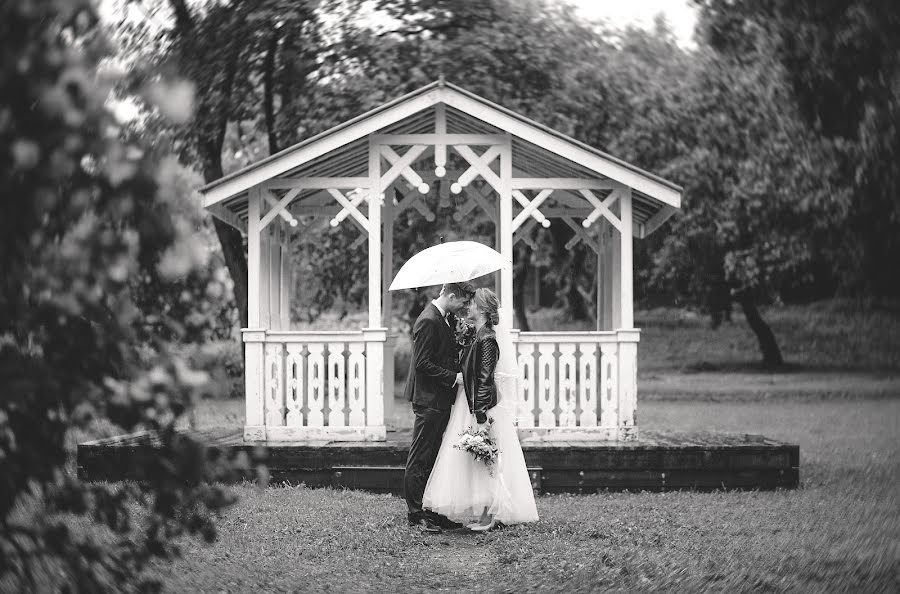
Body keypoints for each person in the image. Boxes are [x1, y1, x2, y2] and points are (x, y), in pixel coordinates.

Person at [423, 287, 539, 531]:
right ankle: (485, 513)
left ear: (483, 310)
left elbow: (485, 379)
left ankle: (491, 516)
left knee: (487, 459)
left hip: (482, 407)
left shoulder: (487, 339)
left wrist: (481, 415)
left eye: (473, 304)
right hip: (472, 404)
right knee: (479, 459)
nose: (468, 307)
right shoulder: (477, 335)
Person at [403, 281, 476, 534]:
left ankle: (430, 510)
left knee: (433, 457)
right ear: (452, 296)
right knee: (420, 456)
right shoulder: (427, 320)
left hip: (440, 399)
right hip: (428, 399)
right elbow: (422, 363)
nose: (465, 307)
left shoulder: (444, 319)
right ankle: (415, 514)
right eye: (463, 302)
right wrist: (452, 377)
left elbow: (440, 353)